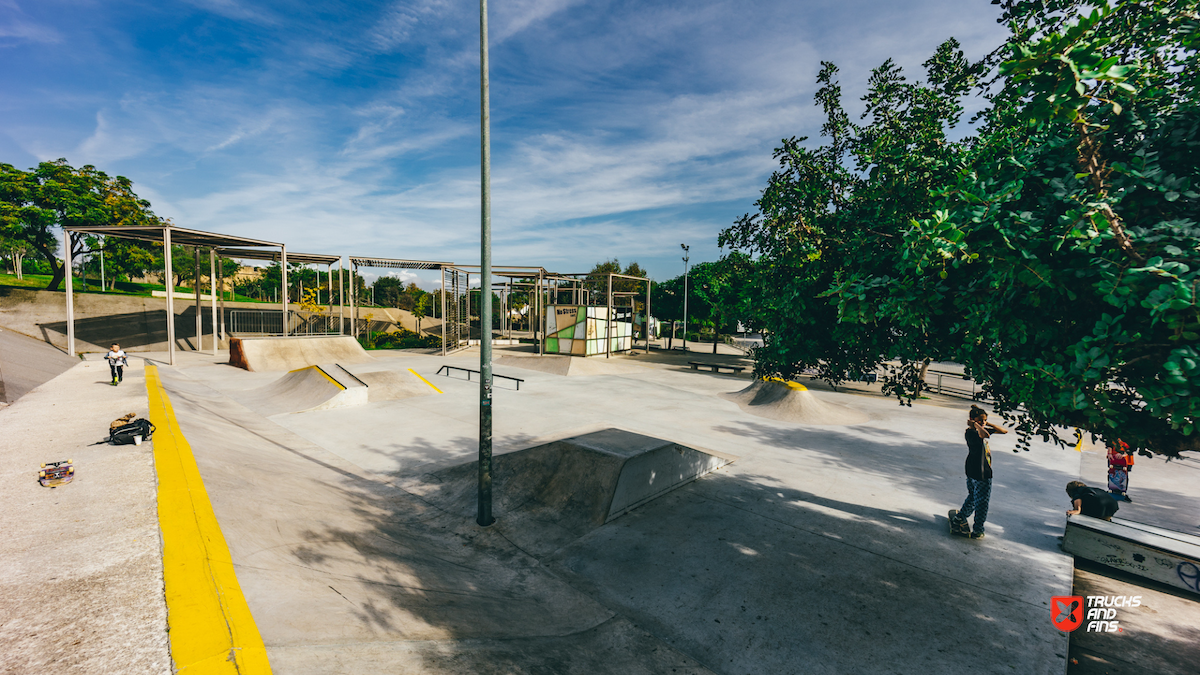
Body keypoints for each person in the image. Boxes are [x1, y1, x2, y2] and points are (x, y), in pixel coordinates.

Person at [950, 405, 1008, 539]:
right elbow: (984, 434)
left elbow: (1004, 431)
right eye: (980, 420)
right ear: (972, 420)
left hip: (973, 469)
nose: (983, 423)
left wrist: (987, 423)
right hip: (981, 473)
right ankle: (978, 529)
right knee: (982, 503)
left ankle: (960, 517)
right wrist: (977, 426)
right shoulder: (970, 433)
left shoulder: (980, 429)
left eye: (985, 420)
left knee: (973, 497)